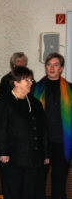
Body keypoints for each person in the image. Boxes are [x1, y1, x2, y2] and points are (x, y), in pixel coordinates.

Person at [0, 66, 49, 199]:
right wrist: (3, 152)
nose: (31, 83)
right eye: (26, 80)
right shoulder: (3, 101)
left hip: (33, 158)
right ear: (16, 82)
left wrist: (45, 153)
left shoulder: (35, 103)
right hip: (13, 158)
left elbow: (43, 129)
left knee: (30, 193)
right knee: (13, 193)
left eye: (31, 79)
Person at [34, 53, 72, 199]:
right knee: (39, 182)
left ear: (61, 68)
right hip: (42, 143)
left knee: (59, 183)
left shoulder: (70, 89)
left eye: (56, 65)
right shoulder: (35, 89)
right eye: (49, 64)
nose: (52, 67)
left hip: (63, 143)